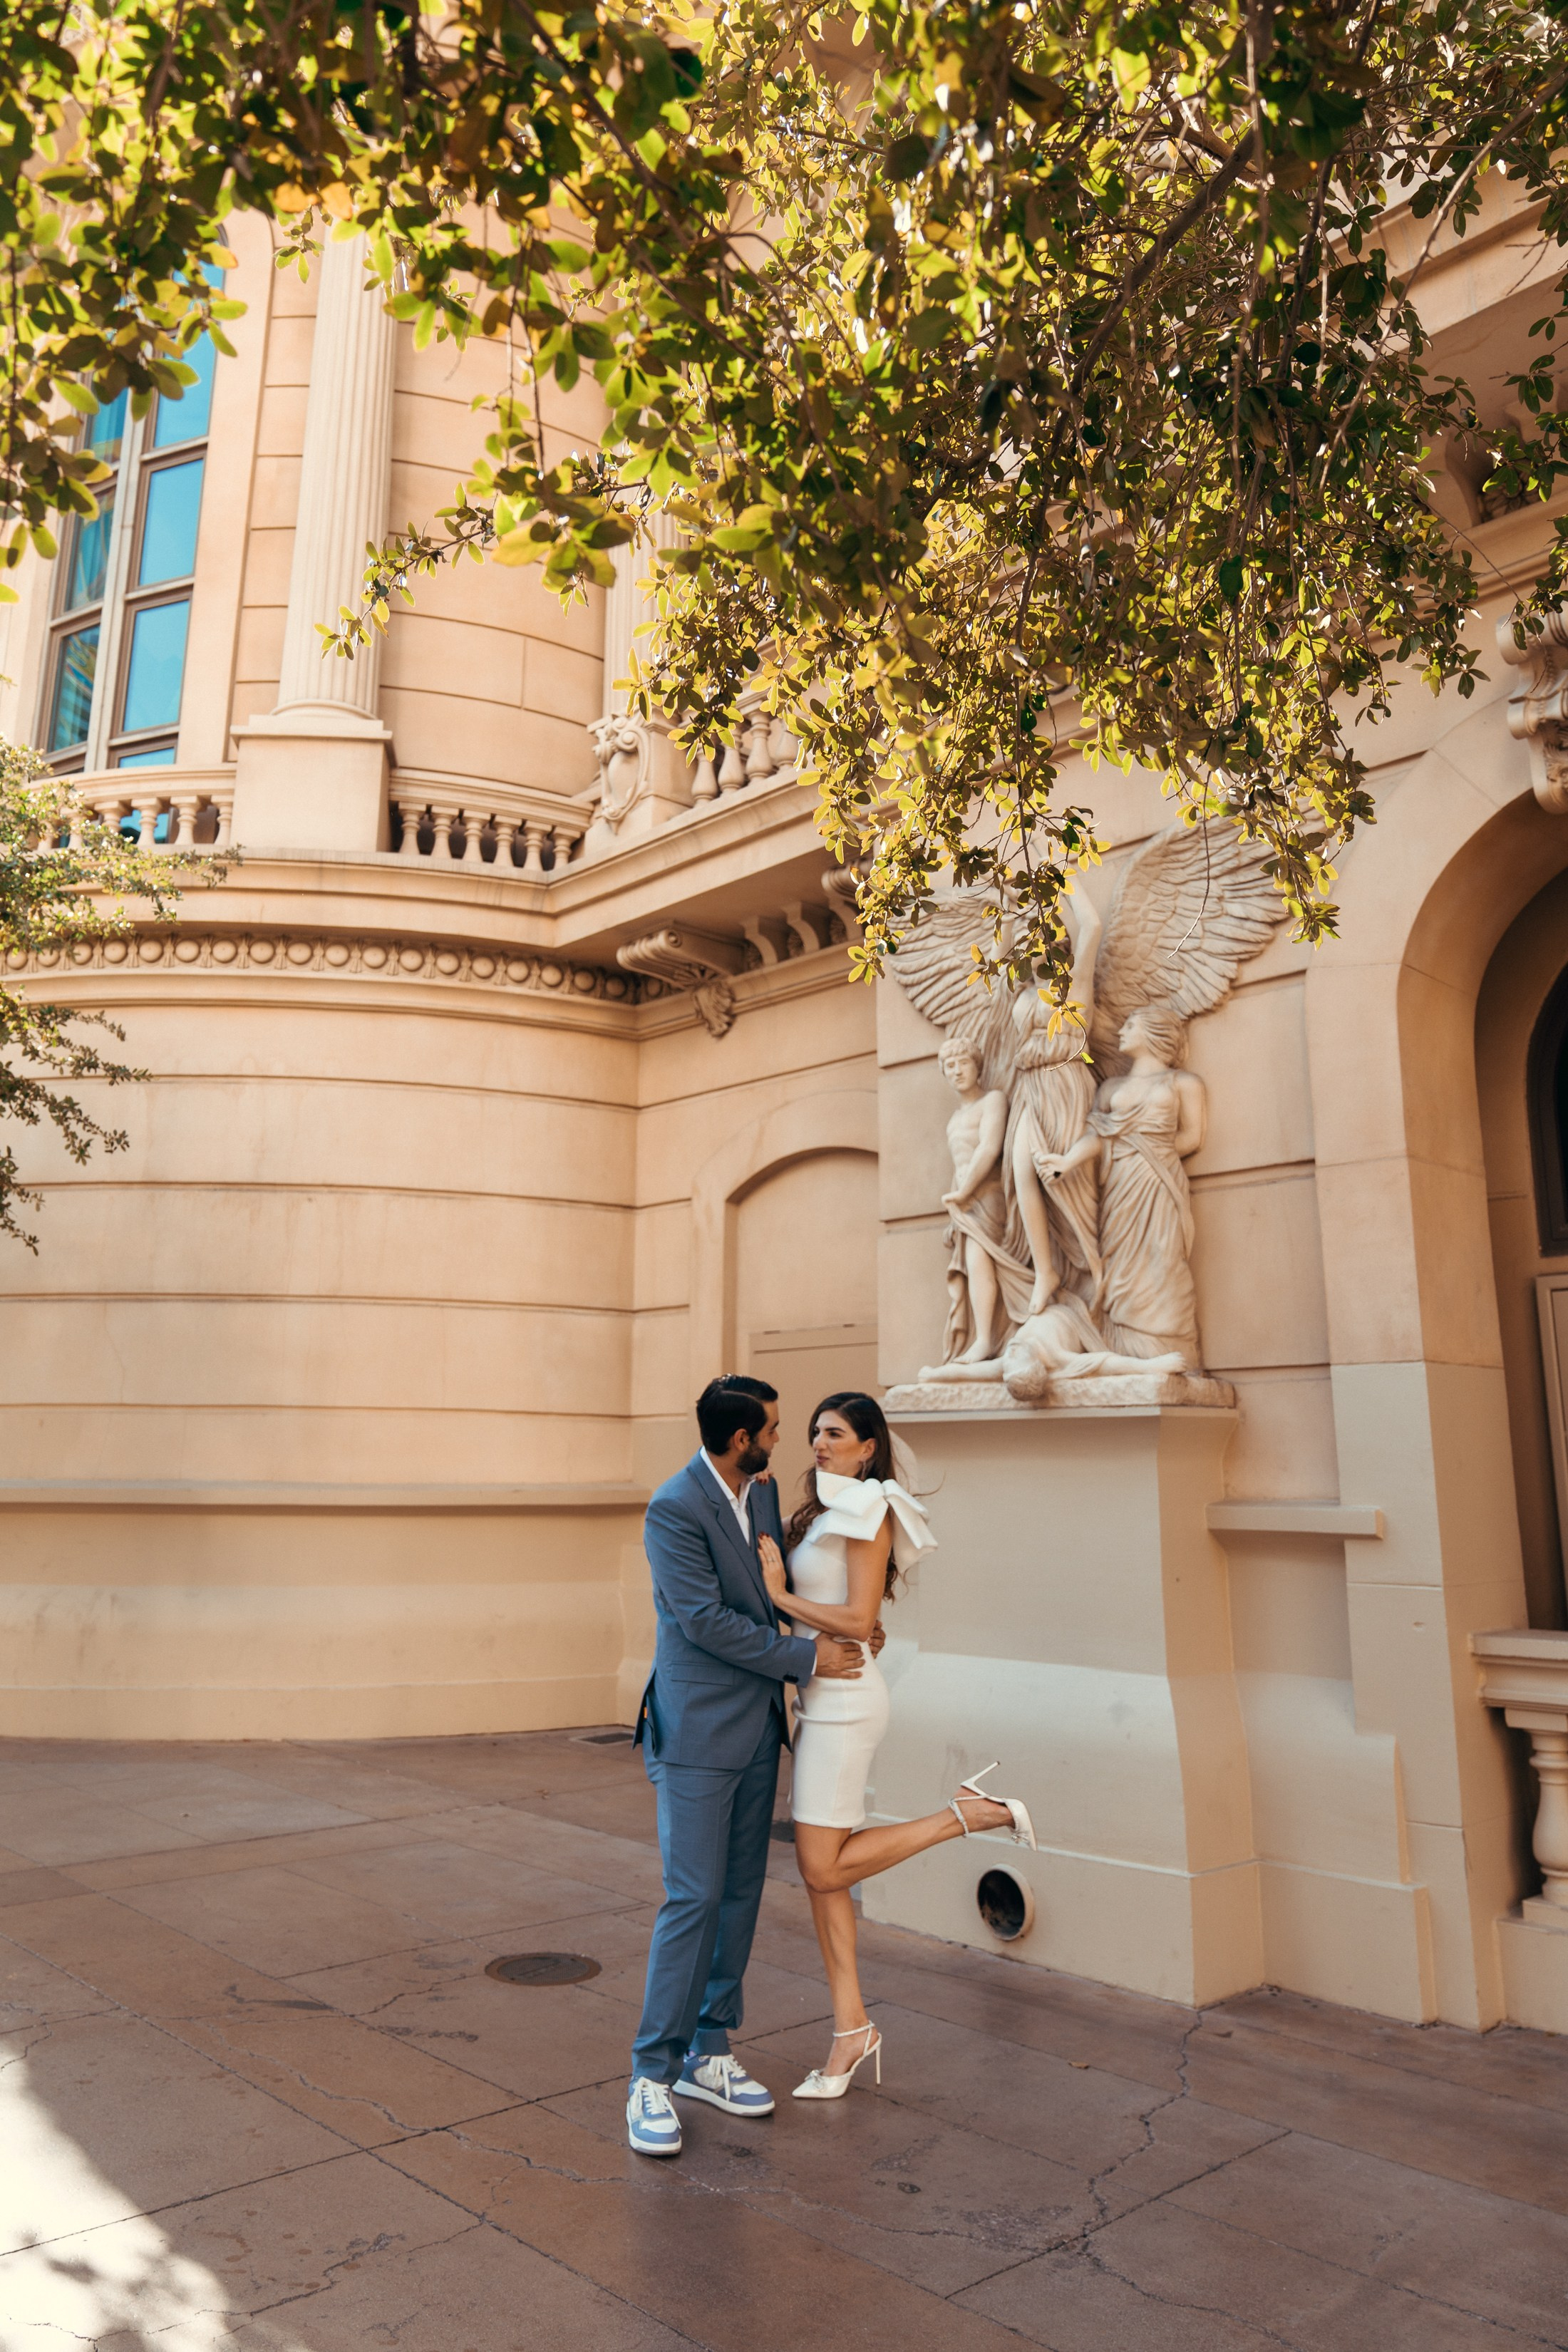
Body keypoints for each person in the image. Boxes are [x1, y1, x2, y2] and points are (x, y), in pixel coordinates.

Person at [758, 1391, 1037, 2099]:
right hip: (818, 1698)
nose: (820, 1443)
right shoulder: (819, 1509)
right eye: (817, 1432)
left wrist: (781, 1598)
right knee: (827, 1884)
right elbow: (853, 1622)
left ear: (868, 1448)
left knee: (822, 1869)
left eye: (837, 1433)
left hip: (846, 1706)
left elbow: (856, 1616)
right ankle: (851, 2030)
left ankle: (968, 1814)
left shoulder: (869, 1511)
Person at [626, 1373, 867, 2158]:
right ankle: (650, 2076)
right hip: (697, 1732)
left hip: (760, 1727)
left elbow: (775, 1589)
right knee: (692, 1900)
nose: (781, 1437)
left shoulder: (759, 1492)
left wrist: (853, 1617)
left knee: (737, 1897)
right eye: (771, 1426)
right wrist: (809, 1658)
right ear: (740, 1439)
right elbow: (702, 1621)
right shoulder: (674, 1507)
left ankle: (710, 2051)